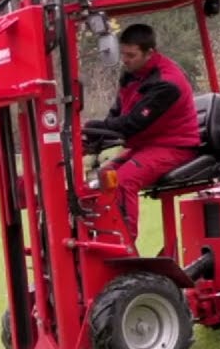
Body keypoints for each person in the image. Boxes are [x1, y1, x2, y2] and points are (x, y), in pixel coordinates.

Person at [85, 23, 200, 244]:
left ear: (149, 53)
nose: (125, 60)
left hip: (175, 147)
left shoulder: (166, 83)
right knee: (99, 179)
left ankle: (124, 244)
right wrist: (92, 135)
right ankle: (100, 241)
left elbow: (131, 124)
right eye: (123, 54)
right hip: (146, 145)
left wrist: (91, 127)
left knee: (122, 180)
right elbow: (116, 116)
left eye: (131, 55)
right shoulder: (132, 76)